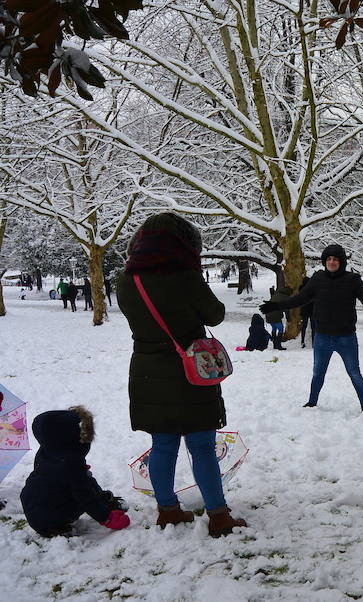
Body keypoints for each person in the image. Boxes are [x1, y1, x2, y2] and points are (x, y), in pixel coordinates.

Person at [117, 212, 246, 537]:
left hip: (148, 374)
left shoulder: (126, 280)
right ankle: (218, 516)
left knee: (162, 445)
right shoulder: (184, 276)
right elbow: (214, 315)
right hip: (190, 372)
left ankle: (168, 511)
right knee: (201, 446)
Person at [259, 244, 363, 416]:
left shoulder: (352, 280)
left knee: (354, 373)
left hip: (346, 338)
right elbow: (300, 299)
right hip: (322, 337)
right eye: (329, 259)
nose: (332, 262)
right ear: (325, 261)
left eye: (335, 259)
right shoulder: (318, 279)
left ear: (342, 262)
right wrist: (275, 305)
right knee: (318, 373)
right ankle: (312, 403)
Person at [20, 406, 130, 537]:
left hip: (34, 505)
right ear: (73, 440)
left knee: (84, 479)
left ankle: (103, 500)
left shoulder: (48, 451)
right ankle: (55, 528)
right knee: (81, 488)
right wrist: (107, 518)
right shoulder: (70, 464)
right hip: (47, 518)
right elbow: (85, 497)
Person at [265, 286, 291, 350]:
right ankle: (278, 345)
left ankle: (275, 344)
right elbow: (287, 309)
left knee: (274, 328)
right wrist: (288, 319)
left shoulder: (276, 295)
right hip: (275, 315)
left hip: (268, 313)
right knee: (281, 329)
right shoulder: (286, 298)